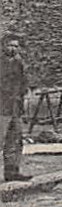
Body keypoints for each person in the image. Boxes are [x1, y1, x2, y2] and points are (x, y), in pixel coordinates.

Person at [2, 32, 28, 182]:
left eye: (16, 46)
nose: (13, 49)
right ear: (3, 46)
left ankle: (12, 172)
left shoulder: (19, 63)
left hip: (15, 108)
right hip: (1, 108)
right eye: (10, 45)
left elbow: (24, 83)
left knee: (15, 140)